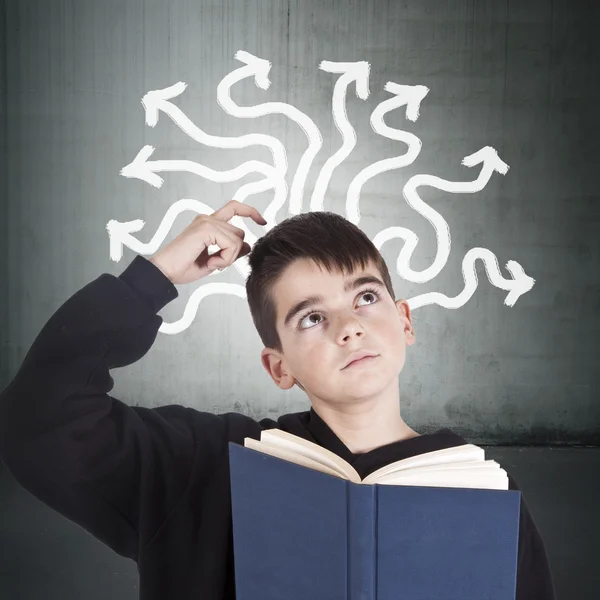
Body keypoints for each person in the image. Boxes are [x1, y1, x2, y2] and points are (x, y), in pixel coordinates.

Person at [0, 200, 555, 599]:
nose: (349, 327)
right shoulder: (204, 466)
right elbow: (37, 417)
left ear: (404, 320)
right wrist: (153, 278)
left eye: (365, 296)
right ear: (279, 365)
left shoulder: (481, 491)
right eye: (312, 317)